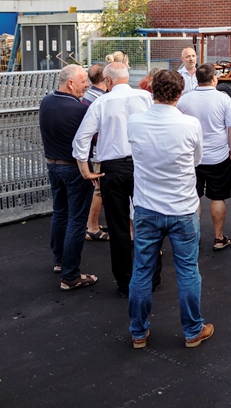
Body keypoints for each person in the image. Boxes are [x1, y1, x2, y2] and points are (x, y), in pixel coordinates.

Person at [126, 70, 213, 349]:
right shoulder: (190, 124)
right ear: (180, 93)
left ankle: (138, 332)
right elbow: (197, 159)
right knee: (188, 270)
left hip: (146, 207)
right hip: (183, 208)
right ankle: (192, 330)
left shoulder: (135, 122)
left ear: (153, 92)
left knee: (141, 271)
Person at [73, 61, 157, 297]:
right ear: (127, 77)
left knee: (118, 227)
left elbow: (82, 138)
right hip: (143, 165)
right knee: (148, 222)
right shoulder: (145, 98)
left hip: (113, 168)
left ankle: (125, 282)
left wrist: (85, 169)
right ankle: (154, 277)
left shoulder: (101, 102)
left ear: (107, 81)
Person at [39, 64, 98, 291]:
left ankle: (59, 260)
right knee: (76, 220)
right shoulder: (80, 110)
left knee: (60, 213)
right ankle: (71, 276)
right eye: (84, 81)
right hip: (75, 170)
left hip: (52, 166)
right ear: (70, 83)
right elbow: (91, 140)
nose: (87, 84)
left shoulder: (47, 102)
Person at [176, 63, 231, 251]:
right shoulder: (223, 99)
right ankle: (219, 238)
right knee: (218, 197)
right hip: (218, 157)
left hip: (191, 157)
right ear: (214, 79)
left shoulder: (185, 100)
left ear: (197, 79)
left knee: (194, 197)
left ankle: (194, 236)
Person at [81, 62, 109, 242]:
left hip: (93, 150)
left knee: (98, 189)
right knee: (99, 190)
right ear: (105, 78)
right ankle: (92, 227)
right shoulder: (100, 99)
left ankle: (93, 224)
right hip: (99, 151)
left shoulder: (87, 95)